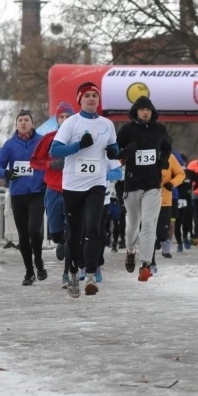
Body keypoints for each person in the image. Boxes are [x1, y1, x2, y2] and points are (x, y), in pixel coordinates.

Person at [50, 82, 119, 297]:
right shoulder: (71, 123)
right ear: (80, 100)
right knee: (75, 233)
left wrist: (113, 150)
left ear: (99, 100)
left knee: (93, 229)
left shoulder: (107, 124)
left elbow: (114, 149)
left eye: (94, 95)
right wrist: (78, 145)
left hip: (96, 184)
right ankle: (72, 273)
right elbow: (55, 150)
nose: (91, 99)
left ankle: (90, 273)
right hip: (72, 185)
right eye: (87, 96)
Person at [116, 95, 171, 282]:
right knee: (133, 223)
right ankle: (130, 250)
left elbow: (167, 147)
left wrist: (162, 160)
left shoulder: (160, 130)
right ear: (136, 112)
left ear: (152, 112)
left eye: (148, 109)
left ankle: (146, 265)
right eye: (142, 109)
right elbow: (115, 152)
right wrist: (126, 152)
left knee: (149, 224)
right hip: (132, 184)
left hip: (153, 184)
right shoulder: (127, 130)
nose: (145, 112)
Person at [0, 109, 47, 286]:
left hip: (37, 192)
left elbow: (50, 161)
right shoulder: (10, 145)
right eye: (20, 120)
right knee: (23, 235)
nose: (23, 123)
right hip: (18, 195)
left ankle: (38, 260)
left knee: (34, 230)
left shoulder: (41, 141)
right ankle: (29, 271)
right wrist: (6, 173)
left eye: (26, 120)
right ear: (16, 124)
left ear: (32, 123)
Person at [30, 102, 73, 288]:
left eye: (67, 117)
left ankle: (67, 273)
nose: (64, 120)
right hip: (53, 190)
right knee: (56, 235)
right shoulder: (49, 138)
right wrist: (50, 165)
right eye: (61, 117)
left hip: (74, 191)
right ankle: (60, 241)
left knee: (73, 233)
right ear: (57, 120)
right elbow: (34, 162)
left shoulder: (79, 139)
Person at [150, 151, 185, 273]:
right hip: (147, 201)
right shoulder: (146, 153)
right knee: (149, 232)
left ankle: (164, 240)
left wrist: (172, 183)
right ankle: (150, 263)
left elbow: (181, 174)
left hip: (165, 201)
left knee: (161, 232)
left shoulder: (170, 157)